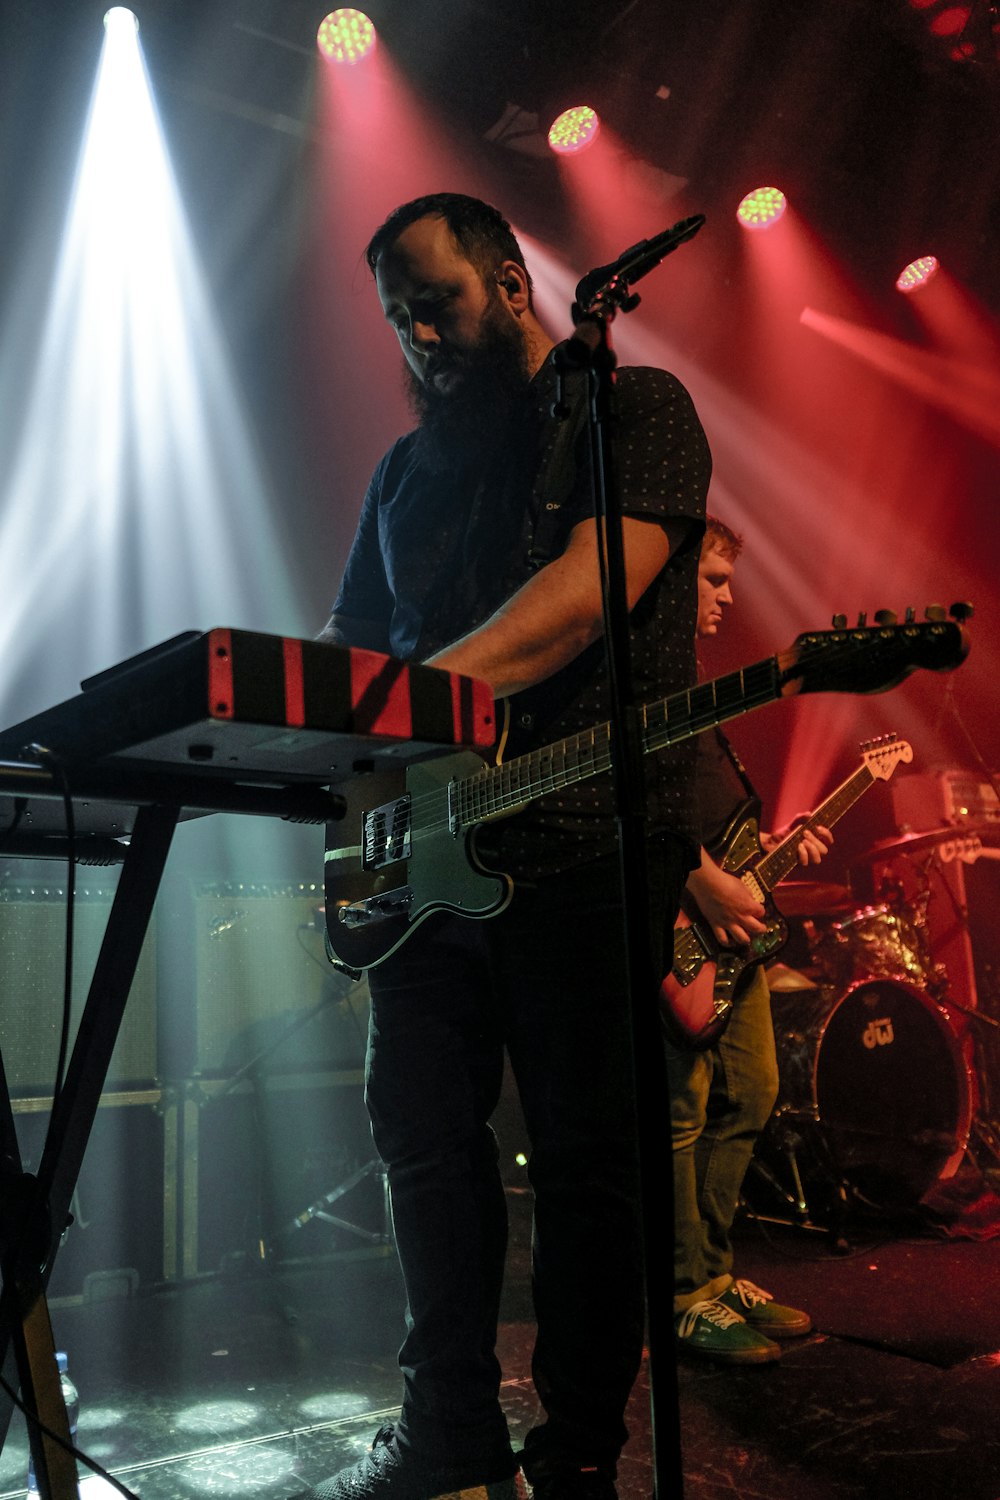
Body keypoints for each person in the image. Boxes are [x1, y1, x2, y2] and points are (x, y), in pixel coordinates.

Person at [311, 193, 711, 1500]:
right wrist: (285, 718)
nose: (419, 332)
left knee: (592, 1168)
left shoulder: (632, 415)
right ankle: (447, 1434)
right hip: (424, 871)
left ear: (510, 279)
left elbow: (580, 602)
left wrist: (411, 699)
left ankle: (580, 1454)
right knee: (426, 1148)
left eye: (438, 299)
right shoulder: (402, 476)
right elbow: (354, 653)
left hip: (584, 848)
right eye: (396, 317)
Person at [665, 517, 830, 1364]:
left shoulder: (695, 689)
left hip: (729, 935)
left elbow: (705, 812)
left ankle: (716, 1274)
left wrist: (771, 853)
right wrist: (694, 874)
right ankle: (684, 1293)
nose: (728, 598)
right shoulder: (643, 684)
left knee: (754, 1092)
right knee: (682, 1112)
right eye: (713, 580)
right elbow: (631, 804)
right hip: (671, 934)